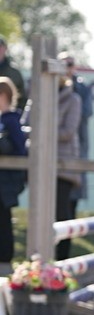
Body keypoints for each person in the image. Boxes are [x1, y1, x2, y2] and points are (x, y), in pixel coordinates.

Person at [55, 70, 84, 261]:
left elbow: (68, 132)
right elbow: (26, 123)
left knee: (62, 213)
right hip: (42, 165)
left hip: (64, 165)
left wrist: (41, 132)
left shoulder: (73, 99)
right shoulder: (38, 98)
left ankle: (62, 259)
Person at [0, 77, 28, 272]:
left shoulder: (11, 120)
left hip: (6, 182)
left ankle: (5, 259)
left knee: (4, 220)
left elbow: (20, 149)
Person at [60, 53, 91, 227]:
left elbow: (86, 112)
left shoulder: (81, 88)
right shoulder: (51, 85)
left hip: (76, 146)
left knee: (74, 190)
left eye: (70, 64)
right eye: (63, 64)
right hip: (56, 148)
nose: (67, 68)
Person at [0, 36, 25, 103]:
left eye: (0, 47)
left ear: (5, 48)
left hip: (9, 108)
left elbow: (22, 97)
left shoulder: (14, 72)